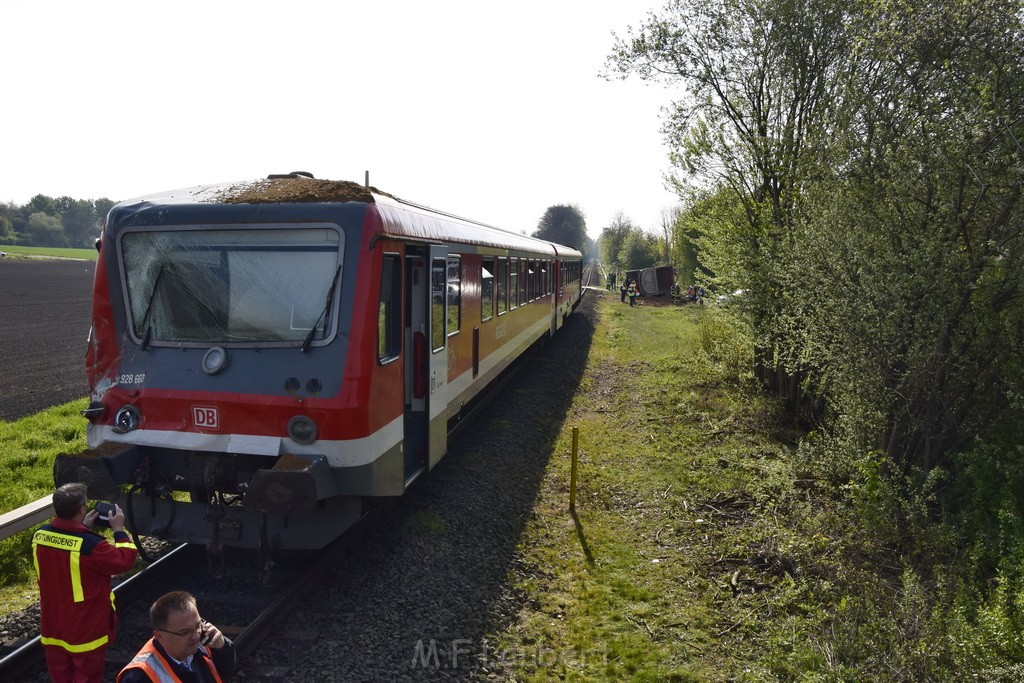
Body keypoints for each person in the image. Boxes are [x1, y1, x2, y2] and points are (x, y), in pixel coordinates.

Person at [32, 483, 138, 683]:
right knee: (87, 677)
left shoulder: (40, 535)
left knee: (60, 675)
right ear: (81, 509)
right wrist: (118, 530)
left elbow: (64, 553)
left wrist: (82, 528)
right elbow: (125, 560)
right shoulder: (92, 546)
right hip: (84, 627)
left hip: (53, 624)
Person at [118, 590, 236, 683]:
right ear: (159, 636)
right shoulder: (141, 677)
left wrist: (222, 646)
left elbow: (226, 670)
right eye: (185, 632)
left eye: (198, 625)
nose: (195, 636)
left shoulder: (206, 640)